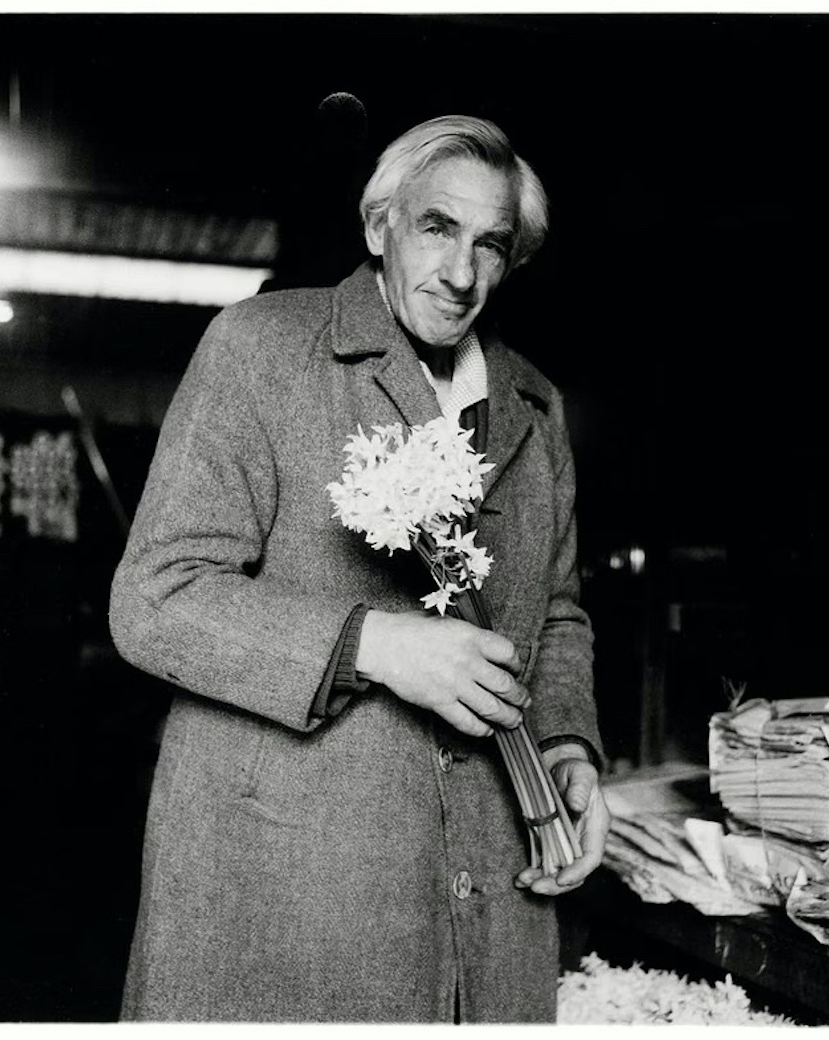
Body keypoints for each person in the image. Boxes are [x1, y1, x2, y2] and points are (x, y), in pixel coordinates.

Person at [109, 114, 609, 1024]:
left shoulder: (534, 404)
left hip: (489, 877)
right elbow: (155, 597)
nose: (461, 273)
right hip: (288, 879)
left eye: (491, 245)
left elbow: (558, 609)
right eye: (437, 227)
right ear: (380, 226)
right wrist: (375, 645)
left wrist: (567, 747)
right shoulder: (262, 348)